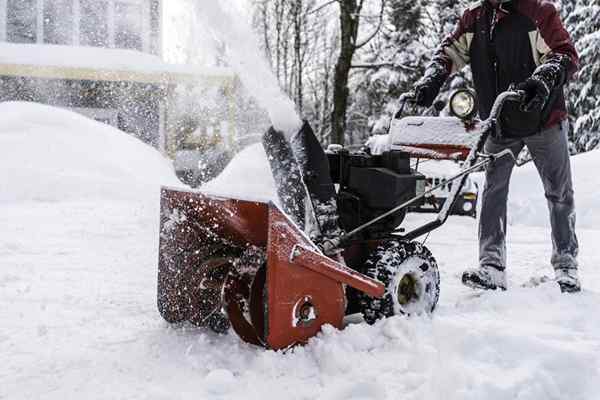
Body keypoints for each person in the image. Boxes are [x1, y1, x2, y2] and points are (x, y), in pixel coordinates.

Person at [411, 0, 580, 292]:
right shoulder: (475, 18)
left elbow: (565, 55)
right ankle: (491, 266)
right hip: (500, 121)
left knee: (559, 193)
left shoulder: (538, 11)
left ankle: (566, 266)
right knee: (492, 192)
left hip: (544, 118)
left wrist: (541, 80)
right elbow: (449, 52)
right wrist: (433, 79)